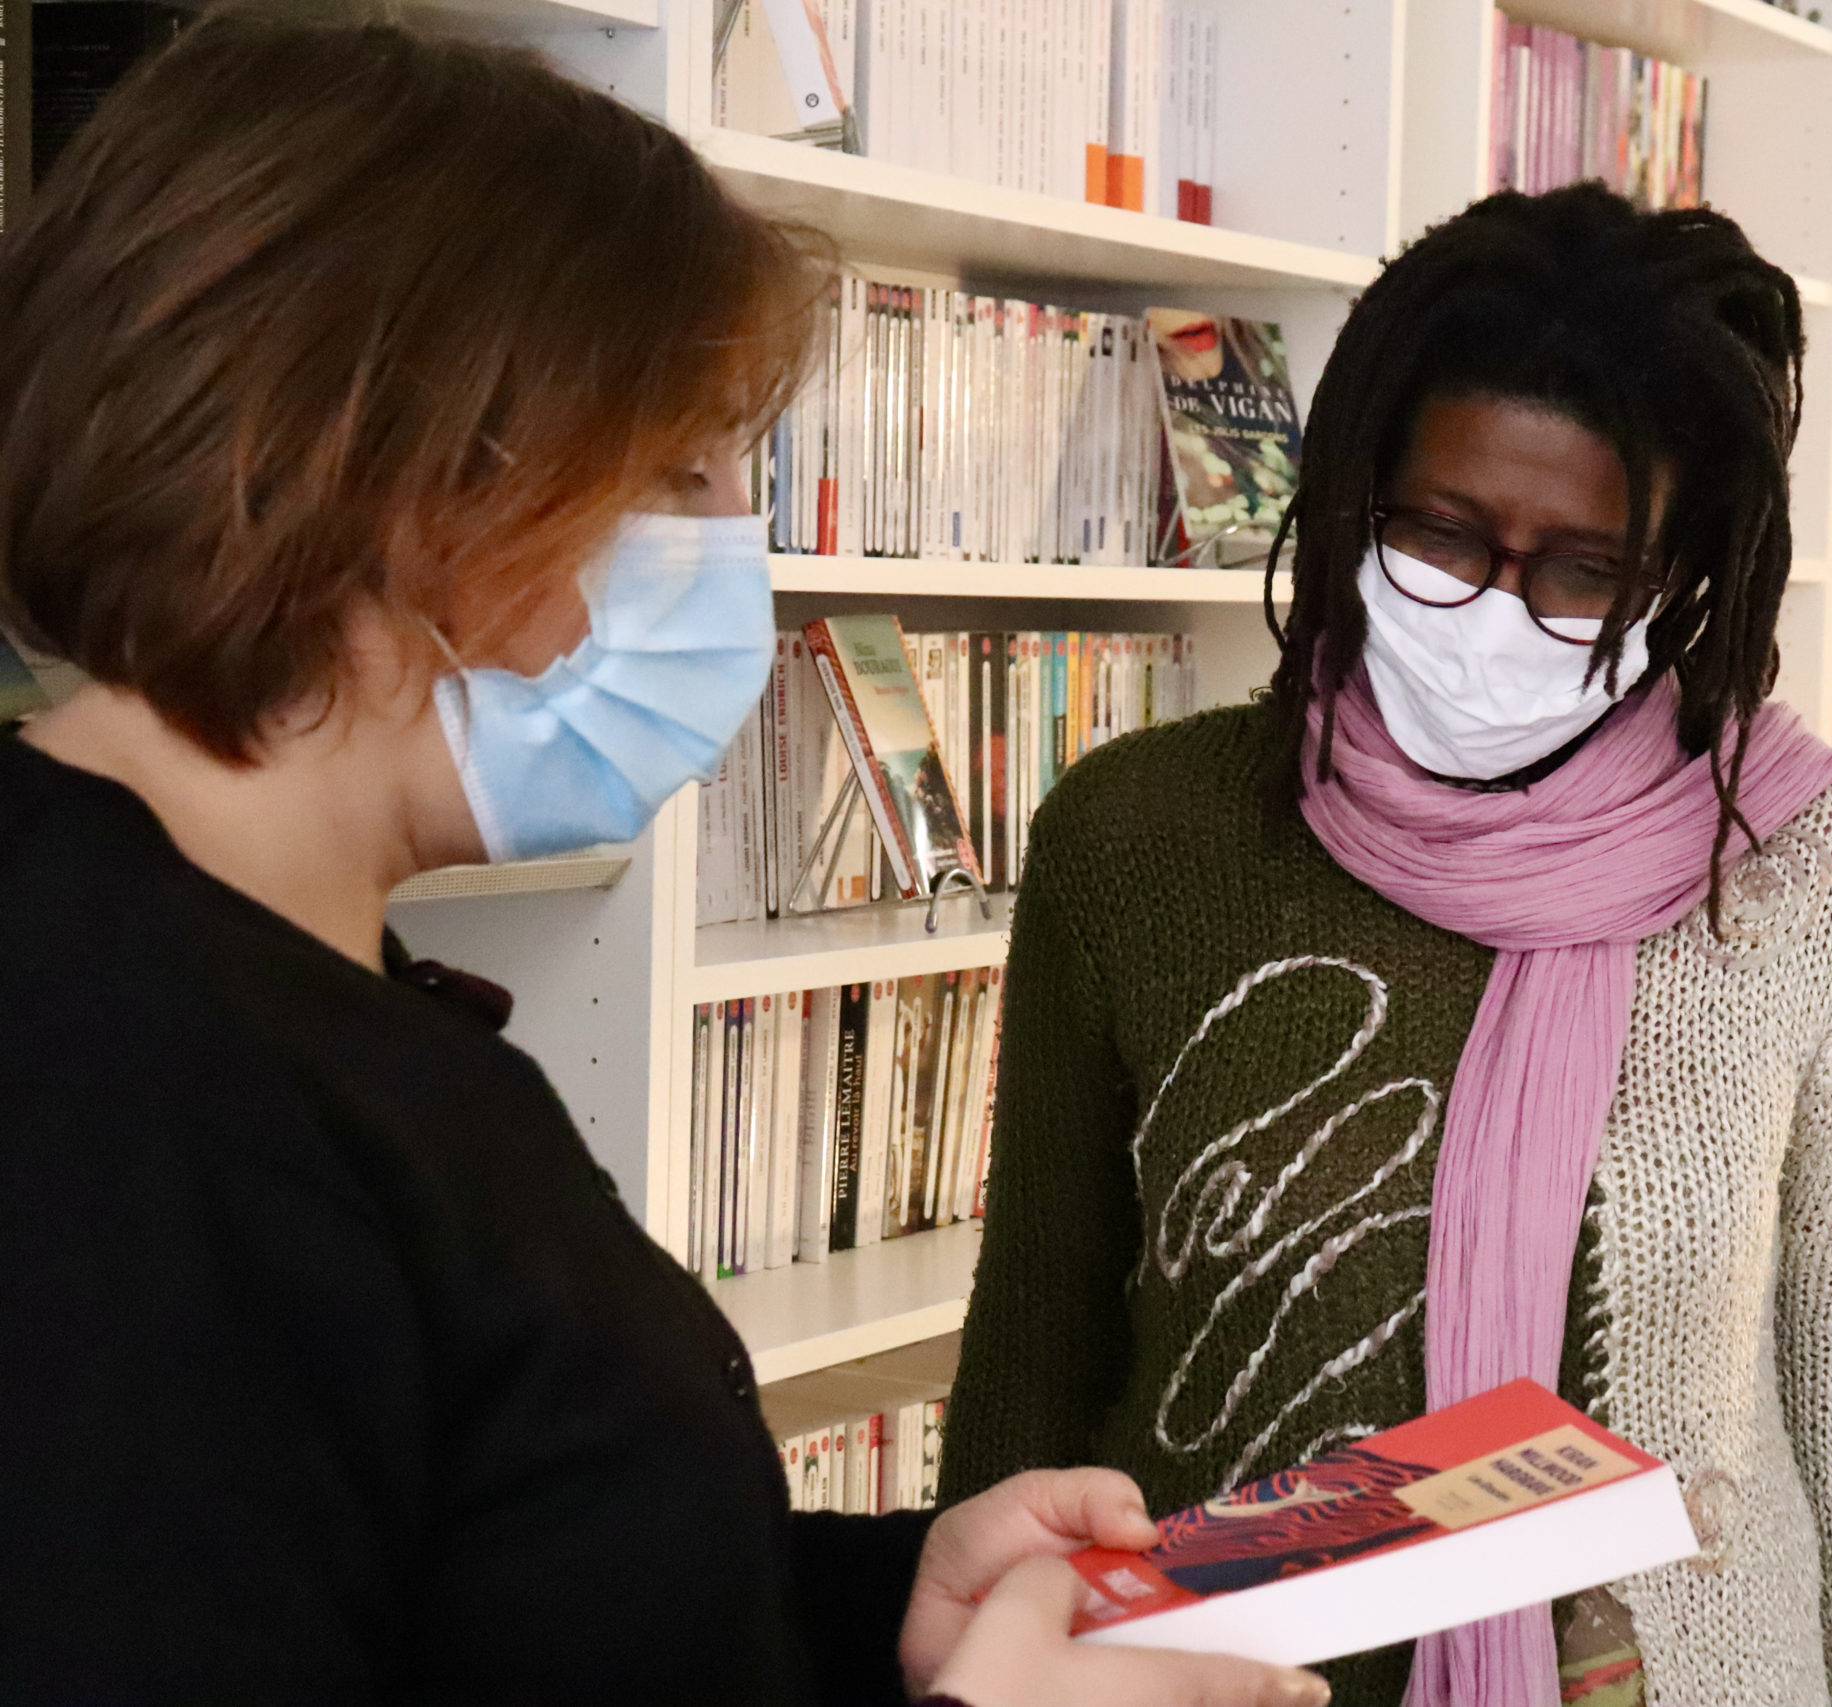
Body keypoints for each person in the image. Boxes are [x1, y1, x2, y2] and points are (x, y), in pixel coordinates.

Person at [0, 17, 1325, 1707]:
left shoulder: (258, 979)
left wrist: (872, 1607)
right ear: (425, 485)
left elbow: (489, 1578)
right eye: (681, 469)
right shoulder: (105, 1108)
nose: (722, 554)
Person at [942, 185, 1832, 1707]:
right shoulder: (1139, 835)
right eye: (1441, 535)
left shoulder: (1796, 859)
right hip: (1193, 1672)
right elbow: (1036, 1338)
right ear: (1355, 493)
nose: (1499, 611)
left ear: (1681, 577)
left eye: (1586, 572)